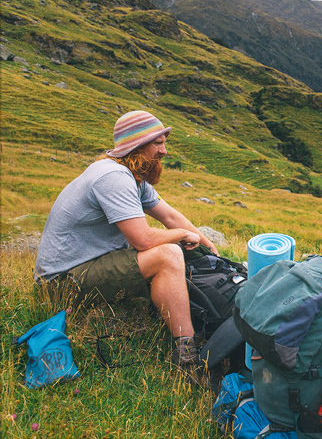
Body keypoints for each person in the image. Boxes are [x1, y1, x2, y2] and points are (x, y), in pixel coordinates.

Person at [34, 110, 218, 367]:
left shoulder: (133, 175)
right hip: (61, 283)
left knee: (165, 250)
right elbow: (143, 239)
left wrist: (208, 245)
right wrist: (182, 236)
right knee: (168, 254)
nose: (164, 151)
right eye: (158, 143)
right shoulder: (114, 178)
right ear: (136, 146)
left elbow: (170, 217)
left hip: (88, 265)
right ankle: (187, 353)